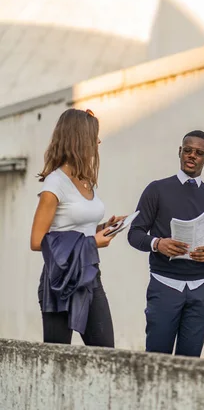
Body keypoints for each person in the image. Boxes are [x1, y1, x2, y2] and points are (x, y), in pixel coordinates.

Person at [128, 130, 204, 357]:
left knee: (191, 364)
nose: (192, 156)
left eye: (199, 152)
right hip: (164, 285)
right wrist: (157, 243)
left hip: (201, 289)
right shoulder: (156, 189)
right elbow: (134, 234)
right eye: (187, 150)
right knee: (157, 361)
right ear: (179, 152)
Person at [30, 108, 124, 347]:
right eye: (94, 136)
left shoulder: (86, 180)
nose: (98, 142)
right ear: (79, 139)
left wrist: (104, 227)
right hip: (60, 280)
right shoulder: (55, 184)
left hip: (90, 275)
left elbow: (77, 228)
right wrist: (92, 242)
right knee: (58, 357)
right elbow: (37, 241)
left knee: (105, 354)